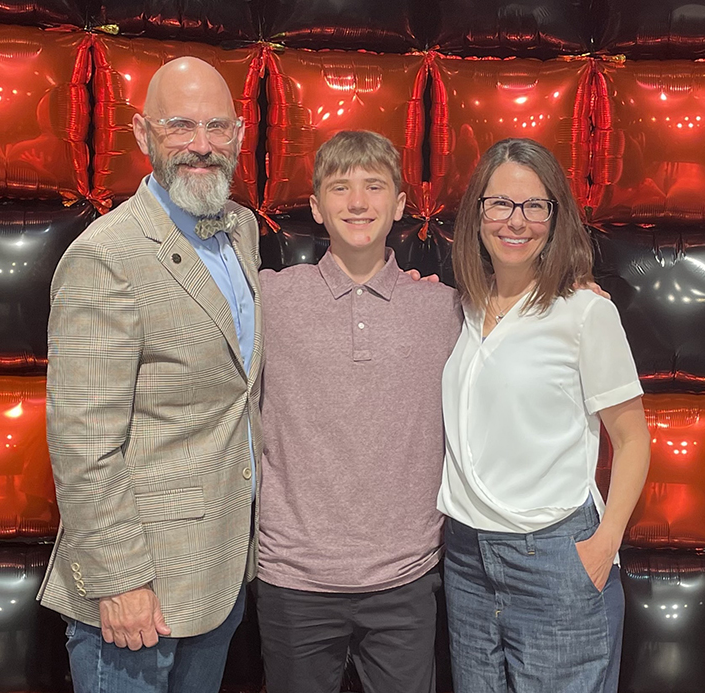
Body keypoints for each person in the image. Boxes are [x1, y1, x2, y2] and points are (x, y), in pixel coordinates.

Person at [38, 57, 261, 693]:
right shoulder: (105, 256)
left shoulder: (240, 230)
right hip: (139, 596)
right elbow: (83, 441)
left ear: (240, 135)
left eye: (217, 126)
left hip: (218, 575)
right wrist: (120, 580)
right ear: (142, 136)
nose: (201, 145)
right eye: (180, 126)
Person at [253, 130, 463, 693]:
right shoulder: (266, 299)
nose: (357, 202)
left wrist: (582, 290)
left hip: (406, 576)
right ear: (317, 207)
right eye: (340, 188)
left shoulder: (444, 308)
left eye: (374, 186)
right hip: (294, 576)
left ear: (398, 205)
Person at [438, 138, 650, 693]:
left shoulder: (585, 311)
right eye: (500, 203)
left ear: (556, 217)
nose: (517, 220)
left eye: (535, 205)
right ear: (477, 212)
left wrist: (603, 548)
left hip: (556, 555)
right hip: (464, 556)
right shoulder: (458, 305)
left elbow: (632, 441)